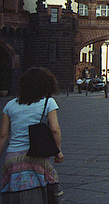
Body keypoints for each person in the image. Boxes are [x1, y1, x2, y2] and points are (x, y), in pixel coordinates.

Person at [0, 67, 64, 203]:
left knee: (14, 195)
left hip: (13, 158)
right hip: (38, 156)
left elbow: (3, 135)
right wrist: (58, 152)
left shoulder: (9, 105)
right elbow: (55, 129)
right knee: (47, 190)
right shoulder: (48, 102)